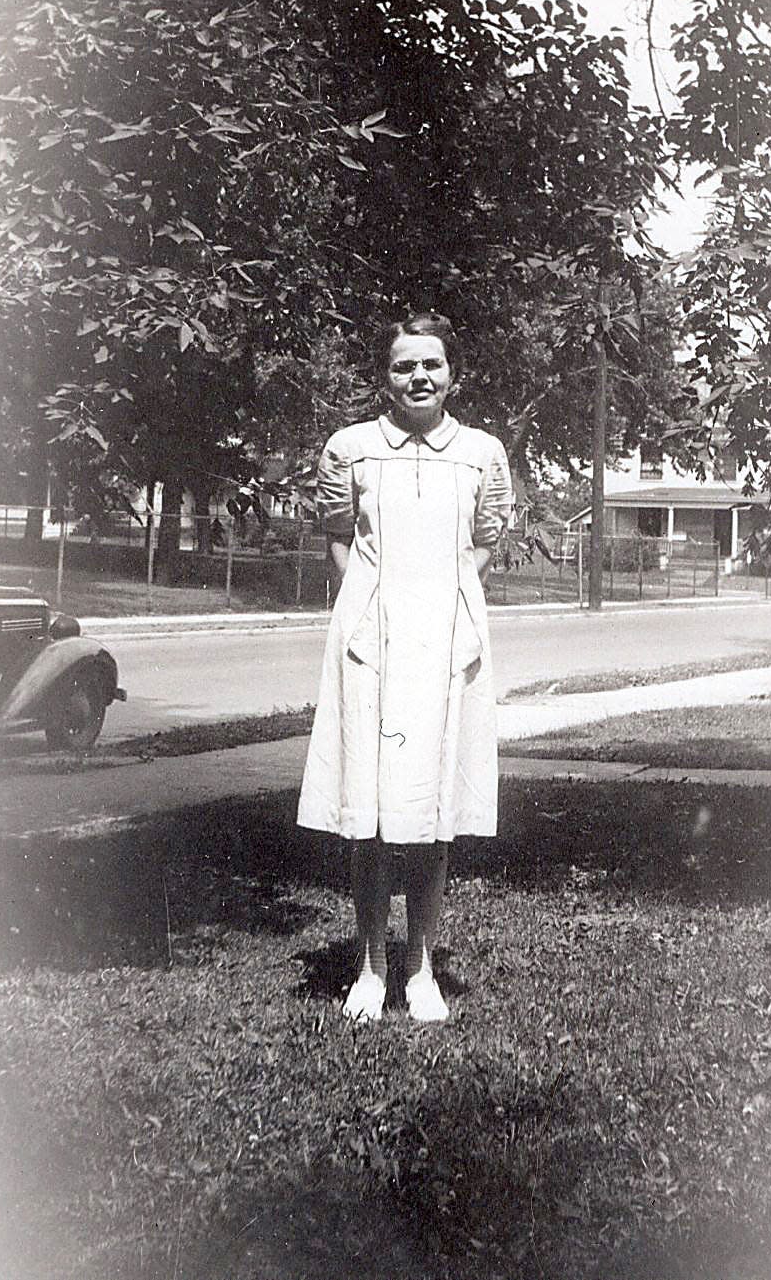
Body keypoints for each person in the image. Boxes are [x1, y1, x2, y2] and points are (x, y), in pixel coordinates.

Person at [296, 312, 512, 1022]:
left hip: (447, 643)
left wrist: (442, 596)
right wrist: (368, 603)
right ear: (383, 375)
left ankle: (420, 967)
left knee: (432, 810)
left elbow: (484, 542)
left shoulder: (481, 453)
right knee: (371, 809)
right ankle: (369, 965)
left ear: (453, 374)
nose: (418, 377)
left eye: (431, 365)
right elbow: (335, 539)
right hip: (371, 645)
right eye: (402, 366)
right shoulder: (350, 448)